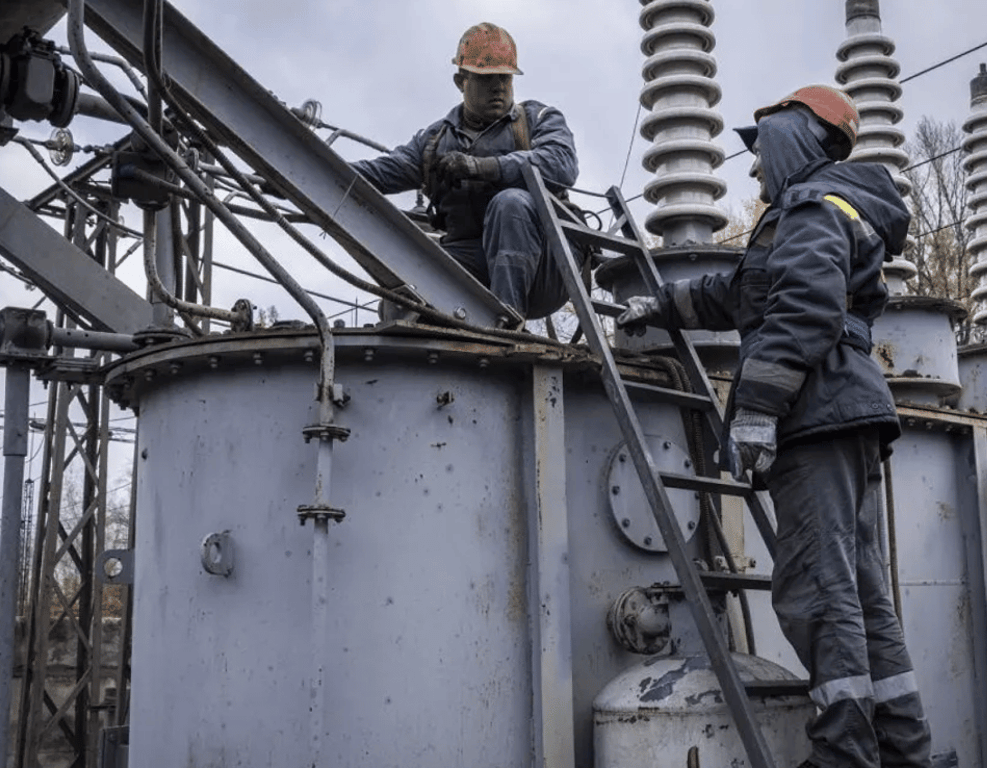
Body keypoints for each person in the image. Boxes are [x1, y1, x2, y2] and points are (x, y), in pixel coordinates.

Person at [616, 85, 932, 768]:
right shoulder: (817, 211)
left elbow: (804, 312)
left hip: (815, 412)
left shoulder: (813, 208)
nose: (755, 171)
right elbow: (740, 294)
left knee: (818, 586)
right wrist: (660, 307)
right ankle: (902, 747)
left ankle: (845, 753)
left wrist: (758, 408)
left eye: (763, 153)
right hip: (844, 408)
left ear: (799, 134)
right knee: (860, 588)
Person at [349, 22, 579, 320]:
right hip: (475, 260)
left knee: (510, 203)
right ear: (461, 81)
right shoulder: (435, 143)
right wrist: (301, 170)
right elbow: (380, 173)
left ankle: (506, 329)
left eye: (504, 77)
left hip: (548, 265)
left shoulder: (537, 119)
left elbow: (562, 163)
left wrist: (486, 167)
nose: (498, 86)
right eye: (487, 78)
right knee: (404, 293)